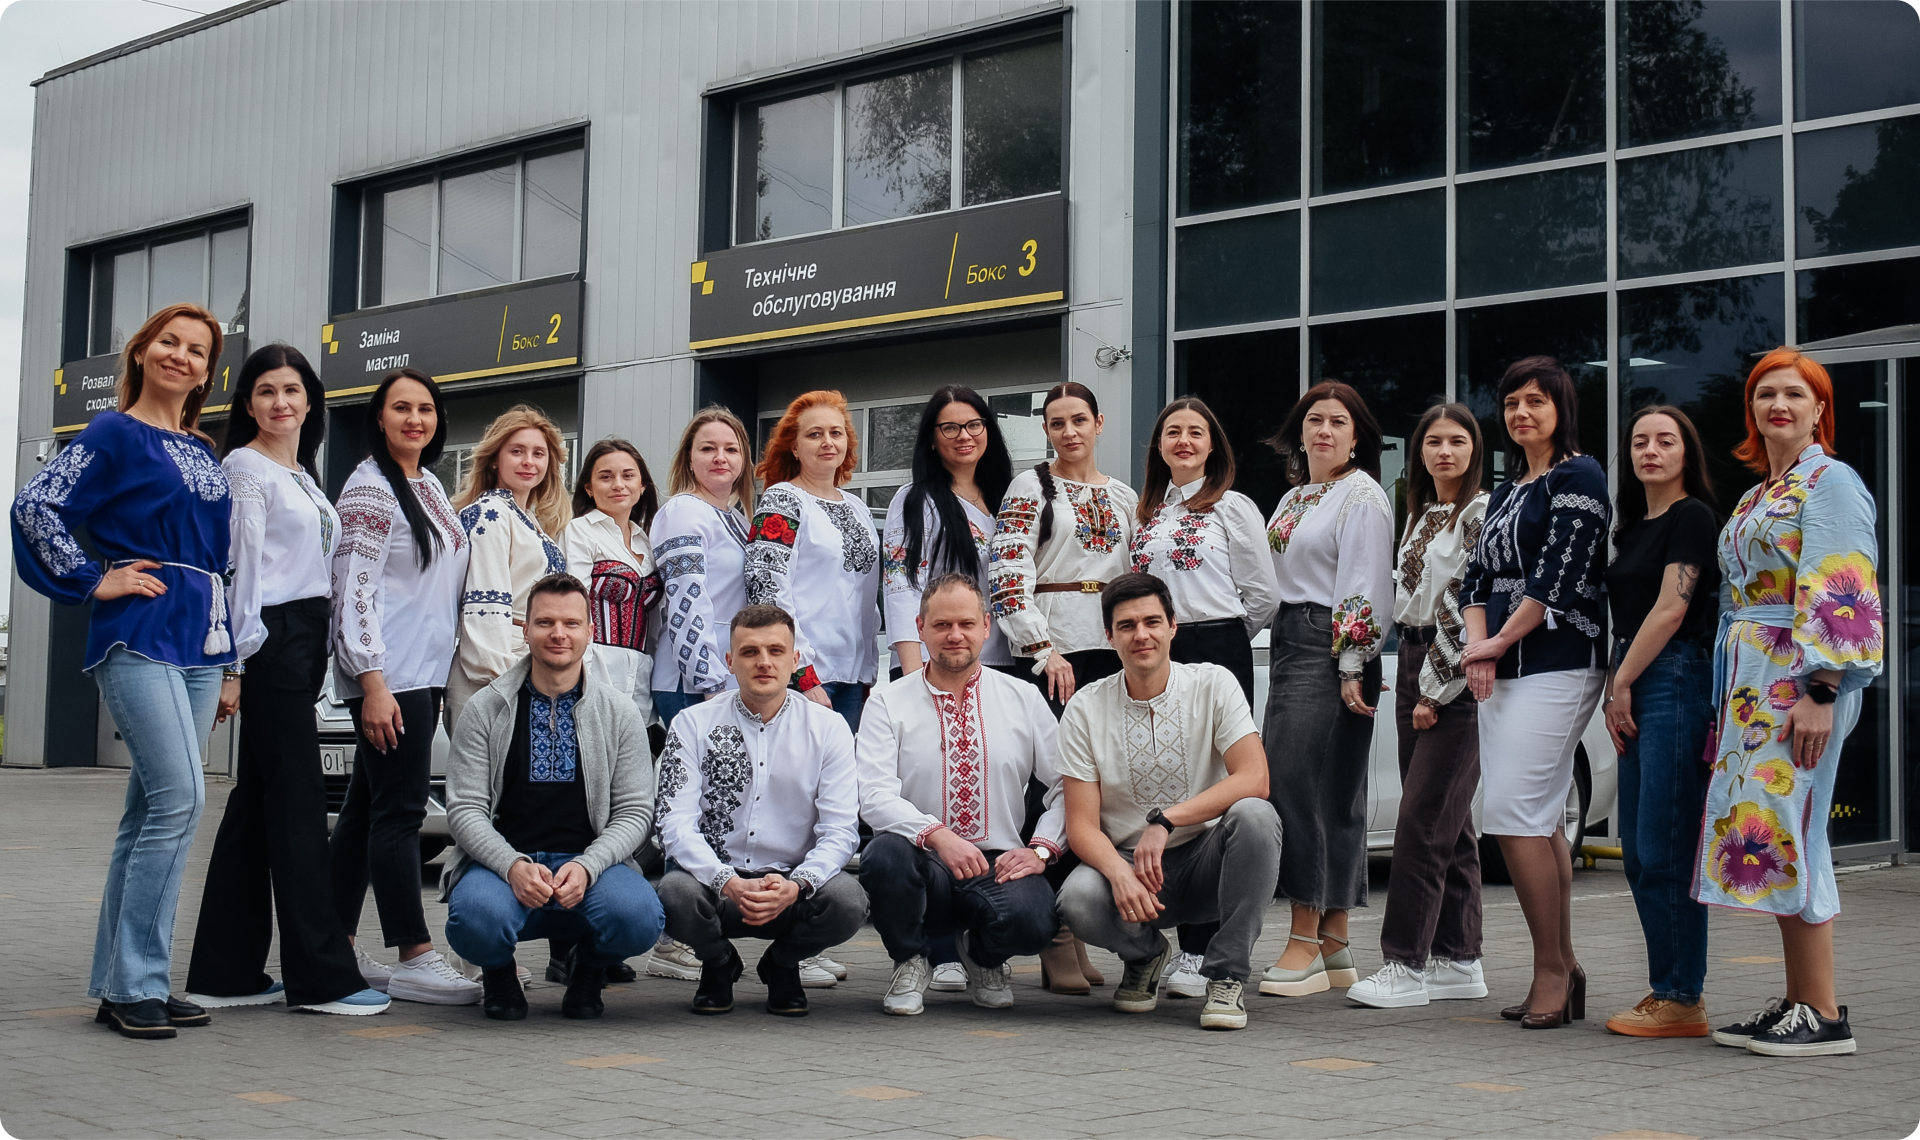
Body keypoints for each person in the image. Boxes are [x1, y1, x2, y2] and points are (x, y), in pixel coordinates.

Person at [12, 304, 235, 1039]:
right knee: (180, 800)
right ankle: (135, 982)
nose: (181, 356)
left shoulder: (203, 448)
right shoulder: (112, 432)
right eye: (168, 342)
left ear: (206, 373)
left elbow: (223, 559)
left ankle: (129, 981)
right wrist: (92, 578)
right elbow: (36, 505)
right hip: (139, 630)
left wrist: (231, 659)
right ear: (141, 352)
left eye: (197, 350)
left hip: (201, 639)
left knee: (149, 812)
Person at [182, 345, 388, 1016]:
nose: (280, 402)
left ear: (309, 401)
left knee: (256, 805)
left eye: (291, 390)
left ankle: (225, 972)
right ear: (247, 404)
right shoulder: (245, 468)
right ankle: (321, 979)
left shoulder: (300, 473)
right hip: (268, 639)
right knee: (298, 808)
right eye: (266, 391)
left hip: (303, 641)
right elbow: (240, 568)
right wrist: (235, 664)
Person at [1699, 349, 1881, 1058]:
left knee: (1796, 827)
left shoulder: (1831, 481)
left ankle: (1824, 1012)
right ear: (1751, 409)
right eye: (1765, 393)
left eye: (1795, 394)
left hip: (1801, 680)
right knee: (1778, 826)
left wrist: (1823, 690)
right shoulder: (1758, 494)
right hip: (1754, 683)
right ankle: (1801, 998)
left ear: (1819, 409)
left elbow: (1844, 580)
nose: (1779, 404)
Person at [1055, 573, 1282, 1031]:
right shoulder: (1084, 707)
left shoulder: (1213, 683)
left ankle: (1226, 976)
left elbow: (1255, 778)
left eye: (1152, 622)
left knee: (1256, 816)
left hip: (1206, 862)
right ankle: (1145, 955)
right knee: (1076, 898)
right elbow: (1080, 825)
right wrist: (1118, 873)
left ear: (1173, 626)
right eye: (1127, 625)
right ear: (1109, 635)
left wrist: (1165, 822)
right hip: (1132, 870)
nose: (1141, 635)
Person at [1460, 356, 1611, 1030]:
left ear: (1561, 408)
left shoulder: (1579, 476)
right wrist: (1479, 646)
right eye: (1512, 402)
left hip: (1559, 658)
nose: (1522, 413)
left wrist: (1496, 642)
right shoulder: (1506, 489)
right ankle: (1562, 967)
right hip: (1502, 662)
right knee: (1540, 817)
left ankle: (1551, 967)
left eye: (1536, 401)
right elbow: (1474, 579)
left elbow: (1558, 579)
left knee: (1511, 814)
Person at [441, 574, 665, 1022]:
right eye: (545, 622)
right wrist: (511, 865)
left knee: (640, 917)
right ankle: (498, 973)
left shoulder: (619, 713)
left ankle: (589, 968)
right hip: (504, 867)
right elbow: (464, 808)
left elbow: (636, 811)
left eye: (570, 623)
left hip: (591, 867)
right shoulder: (486, 708)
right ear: (525, 629)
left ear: (590, 631)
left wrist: (588, 865)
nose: (558, 634)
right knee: (475, 920)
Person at [328, 368, 481, 1005]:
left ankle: (330, 945)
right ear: (379, 417)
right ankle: (414, 954)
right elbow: (352, 588)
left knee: (364, 813)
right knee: (399, 815)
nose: (415, 419)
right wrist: (372, 682)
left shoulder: (427, 486)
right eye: (401, 408)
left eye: (425, 409)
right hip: (393, 678)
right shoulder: (370, 488)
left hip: (422, 675)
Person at [856, 574, 1065, 1015]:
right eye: (942, 625)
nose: (955, 635)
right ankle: (911, 959)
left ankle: (984, 956)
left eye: (966, 624)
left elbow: (1068, 785)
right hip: (921, 858)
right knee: (883, 856)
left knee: (1035, 920)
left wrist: (1041, 850)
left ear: (987, 626)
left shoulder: (1022, 697)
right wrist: (937, 835)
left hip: (997, 865)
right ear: (920, 627)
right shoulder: (888, 702)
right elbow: (873, 793)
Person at [1128, 396, 1278, 999]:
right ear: (1159, 446)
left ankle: (1206, 950)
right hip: (1159, 649)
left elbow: (1262, 594)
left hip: (1217, 645)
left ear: (1213, 444)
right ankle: (1182, 939)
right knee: (1171, 774)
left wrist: (1222, 641)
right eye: (1173, 432)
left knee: (1216, 784)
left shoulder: (1232, 507)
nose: (1184, 441)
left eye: (1195, 432)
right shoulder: (1146, 512)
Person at [1346, 404, 1491, 1009]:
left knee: (1420, 823)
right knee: (1448, 822)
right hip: (1407, 658)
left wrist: (1435, 688)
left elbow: (1465, 602)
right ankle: (1460, 958)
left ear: (1474, 449)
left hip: (1449, 669)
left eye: (1457, 441)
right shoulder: (1421, 513)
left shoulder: (1482, 513)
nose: (1444, 452)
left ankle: (1404, 964)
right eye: (1433, 441)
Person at [655, 605, 868, 1017]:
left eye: (776, 650)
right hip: (715, 885)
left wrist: (797, 885)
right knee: (673, 894)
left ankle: (782, 964)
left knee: (848, 901)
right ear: (730, 661)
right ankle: (719, 962)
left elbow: (841, 830)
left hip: (790, 886)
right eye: (750, 652)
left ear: (795, 659)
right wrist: (726, 881)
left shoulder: (828, 728)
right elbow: (674, 824)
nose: (764, 662)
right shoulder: (691, 724)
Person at [989, 380, 1132, 993]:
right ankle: (1054, 939)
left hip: (1111, 647)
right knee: (1056, 786)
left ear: (1099, 423)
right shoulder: (1031, 487)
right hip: (1057, 652)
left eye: (1078, 420)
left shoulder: (1124, 495)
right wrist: (1041, 647)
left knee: (1103, 787)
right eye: (1056, 423)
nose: (1068, 432)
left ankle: (1082, 924)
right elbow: (1006, 570)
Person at [1257, 382, 1395, 999]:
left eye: (1339, 422)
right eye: (1315, 419)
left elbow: (1366, 580)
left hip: (1333, 641)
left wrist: (1352, 663)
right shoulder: (1294, 497)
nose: (1325, 431)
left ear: (1357, 435)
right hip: (1291, 635)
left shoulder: (1361, 495)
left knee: (1302, 786)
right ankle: (1335, 938)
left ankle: (1304, 935)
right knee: (1329, 789)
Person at [1600, 406, 1721, 1038]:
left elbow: (1673, 609)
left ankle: (1681, 996)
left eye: (1665, 441)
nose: (1650, 450)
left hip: (1673, 676)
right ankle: (1668, 989)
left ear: (1685, 453)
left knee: (1665, 846)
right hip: (1636, 674)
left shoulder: (1692, 516)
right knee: (1639, 853)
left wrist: (1621, 681)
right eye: (1640, 441)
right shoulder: (1631, 528)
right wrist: (1618, 682)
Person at [644, 407, 757, 986]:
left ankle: (696, 927)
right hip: (693, 684)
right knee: (689, 804)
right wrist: (713, 685)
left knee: (719, 806)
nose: (720, 457)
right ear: (688, 457)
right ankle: (673, 938)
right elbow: (686, 604)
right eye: (708, 447)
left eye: (731, 449)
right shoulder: (683, 512)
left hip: (725, 681)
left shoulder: (733, 516)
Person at [747, 390, 881, 732]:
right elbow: (766, 590)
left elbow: (865, 597)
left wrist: (868, 672)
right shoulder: (783, 500)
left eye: (836, 433)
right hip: (803, 676)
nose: (827, 442)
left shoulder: (858, 508)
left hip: (853, 677)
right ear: (794, 446)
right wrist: (801, 673)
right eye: (814, 434)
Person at [446, 406, 571, 735]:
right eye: (517, 451)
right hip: (493, 680)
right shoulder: (490, 513)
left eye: (538, 453)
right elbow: (484, 611)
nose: (529, 461)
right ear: (494, 459)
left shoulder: (529, 521)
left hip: (526, 667)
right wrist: (510, 684)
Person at [883, 385, 1015, 676]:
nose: (964, 436)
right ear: (931, 439)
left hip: (1003, 662)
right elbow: (902, 586)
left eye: (974, 425)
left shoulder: (1006, 500)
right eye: (950, 428)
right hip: (936, 663)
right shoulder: (916, 500)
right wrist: (913, 676)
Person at [562, 438, 663, 725]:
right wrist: (579, 673)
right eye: (606, 477)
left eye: (628, 476)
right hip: (595, 664)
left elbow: (656, 621)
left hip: (641, 671)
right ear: (589, 487)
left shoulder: (647, 541)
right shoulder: (580, 531)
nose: (618, 484)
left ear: (642, 486)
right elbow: (573, 606)